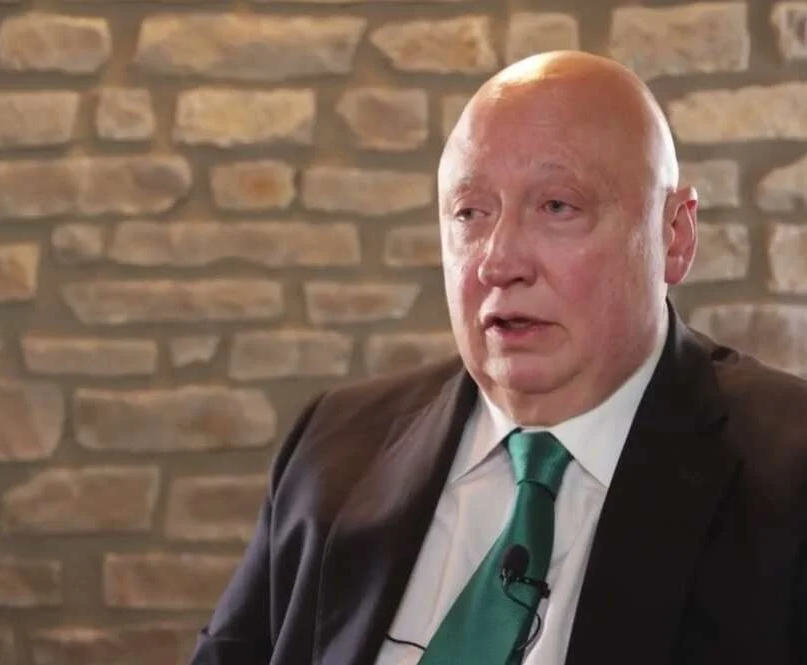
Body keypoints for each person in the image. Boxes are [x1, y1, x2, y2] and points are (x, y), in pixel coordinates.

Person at [188, 51, 807, 665]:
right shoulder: (332, 448)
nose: (499, 261)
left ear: (674, 236)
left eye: (558, 206)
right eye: (470, 213)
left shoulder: (788, 477)